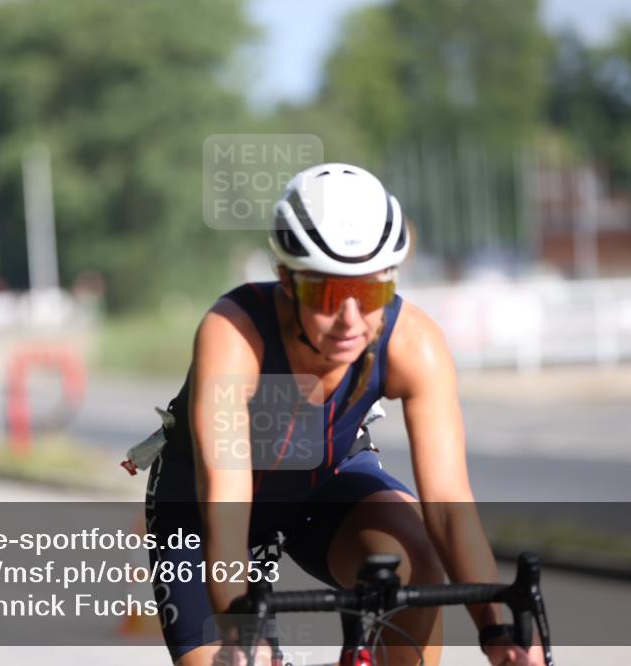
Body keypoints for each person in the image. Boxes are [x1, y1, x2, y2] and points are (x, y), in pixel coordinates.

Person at [141, 163, 544, 666]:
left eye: (371, 292)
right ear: (287, 279)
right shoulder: (234, 335)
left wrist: (498, 630)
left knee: (415, 560)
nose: (351, 319)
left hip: (325, 484)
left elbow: (447, 507)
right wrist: (244, 634)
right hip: (207, 508)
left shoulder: (414, 343)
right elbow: (226, 504)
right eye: (330, 294)